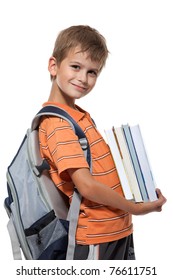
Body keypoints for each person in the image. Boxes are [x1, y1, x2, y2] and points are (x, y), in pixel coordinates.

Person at [39, 25, 166, 260]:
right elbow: (86, 186)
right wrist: (135, 208)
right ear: (53, 66)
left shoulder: (77, 115)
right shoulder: (58, 124)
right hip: (94, 239)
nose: (83, 78)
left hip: (114, 230)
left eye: (92, 72)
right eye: (75, 66)